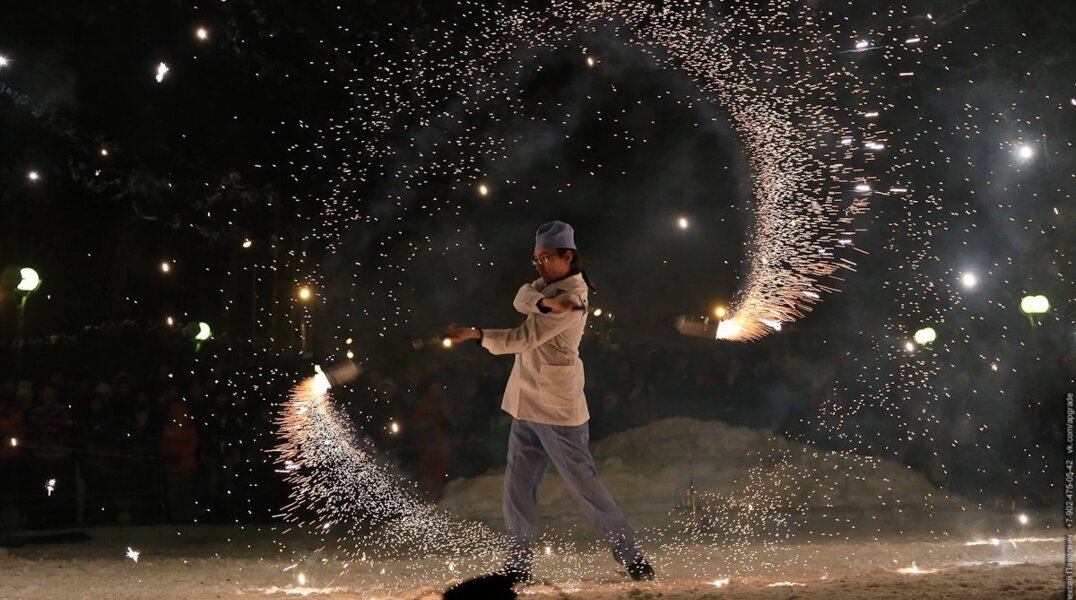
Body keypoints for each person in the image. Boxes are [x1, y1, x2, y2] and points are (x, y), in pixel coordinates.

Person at [445, 220, 654, 583]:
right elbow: (521, 295)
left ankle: (633, 558)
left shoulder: (571, 300)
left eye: (545, 258)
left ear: (567, 256)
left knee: (584, 486)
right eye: (536, 259)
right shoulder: (546, 288)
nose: (538, 265)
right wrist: (541, 299)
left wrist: (479, 335)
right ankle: (517, 566)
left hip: (557, 410)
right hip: (526, 403)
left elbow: (523, 338)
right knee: (517, 488)